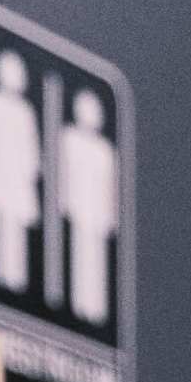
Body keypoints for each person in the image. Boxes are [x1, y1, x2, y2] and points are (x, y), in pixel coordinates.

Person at [0, 51, 45, 298]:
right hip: (3, 170)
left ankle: (16, 278)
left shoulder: (26, 111)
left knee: (16, 225)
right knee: (4, 223)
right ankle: (3, 274)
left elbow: (31, 144)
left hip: (18, 174)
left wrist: (33, 168)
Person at [57, 87, 121, 325]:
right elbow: (62, 172)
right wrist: (63, 201)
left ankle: (94, 310)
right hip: (79, 208)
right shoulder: (70, 138)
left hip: (98, 214)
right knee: (80, 254)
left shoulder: (105, 150)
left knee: (96, 259)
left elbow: (111, 186)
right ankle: (79, 306)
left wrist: (112, 216)